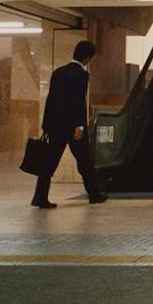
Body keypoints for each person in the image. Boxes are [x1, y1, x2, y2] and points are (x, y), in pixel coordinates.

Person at [31, 40, 107, 208]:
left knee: (49, 162)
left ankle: (40, 197)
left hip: (55, 126)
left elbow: (51, 99)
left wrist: (46, 124)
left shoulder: (58, 72)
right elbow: (78, 101)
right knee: (84, 161)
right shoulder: (82, 75)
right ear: (88, 58)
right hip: (73, 128)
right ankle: (94, 194)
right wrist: (80, 126)